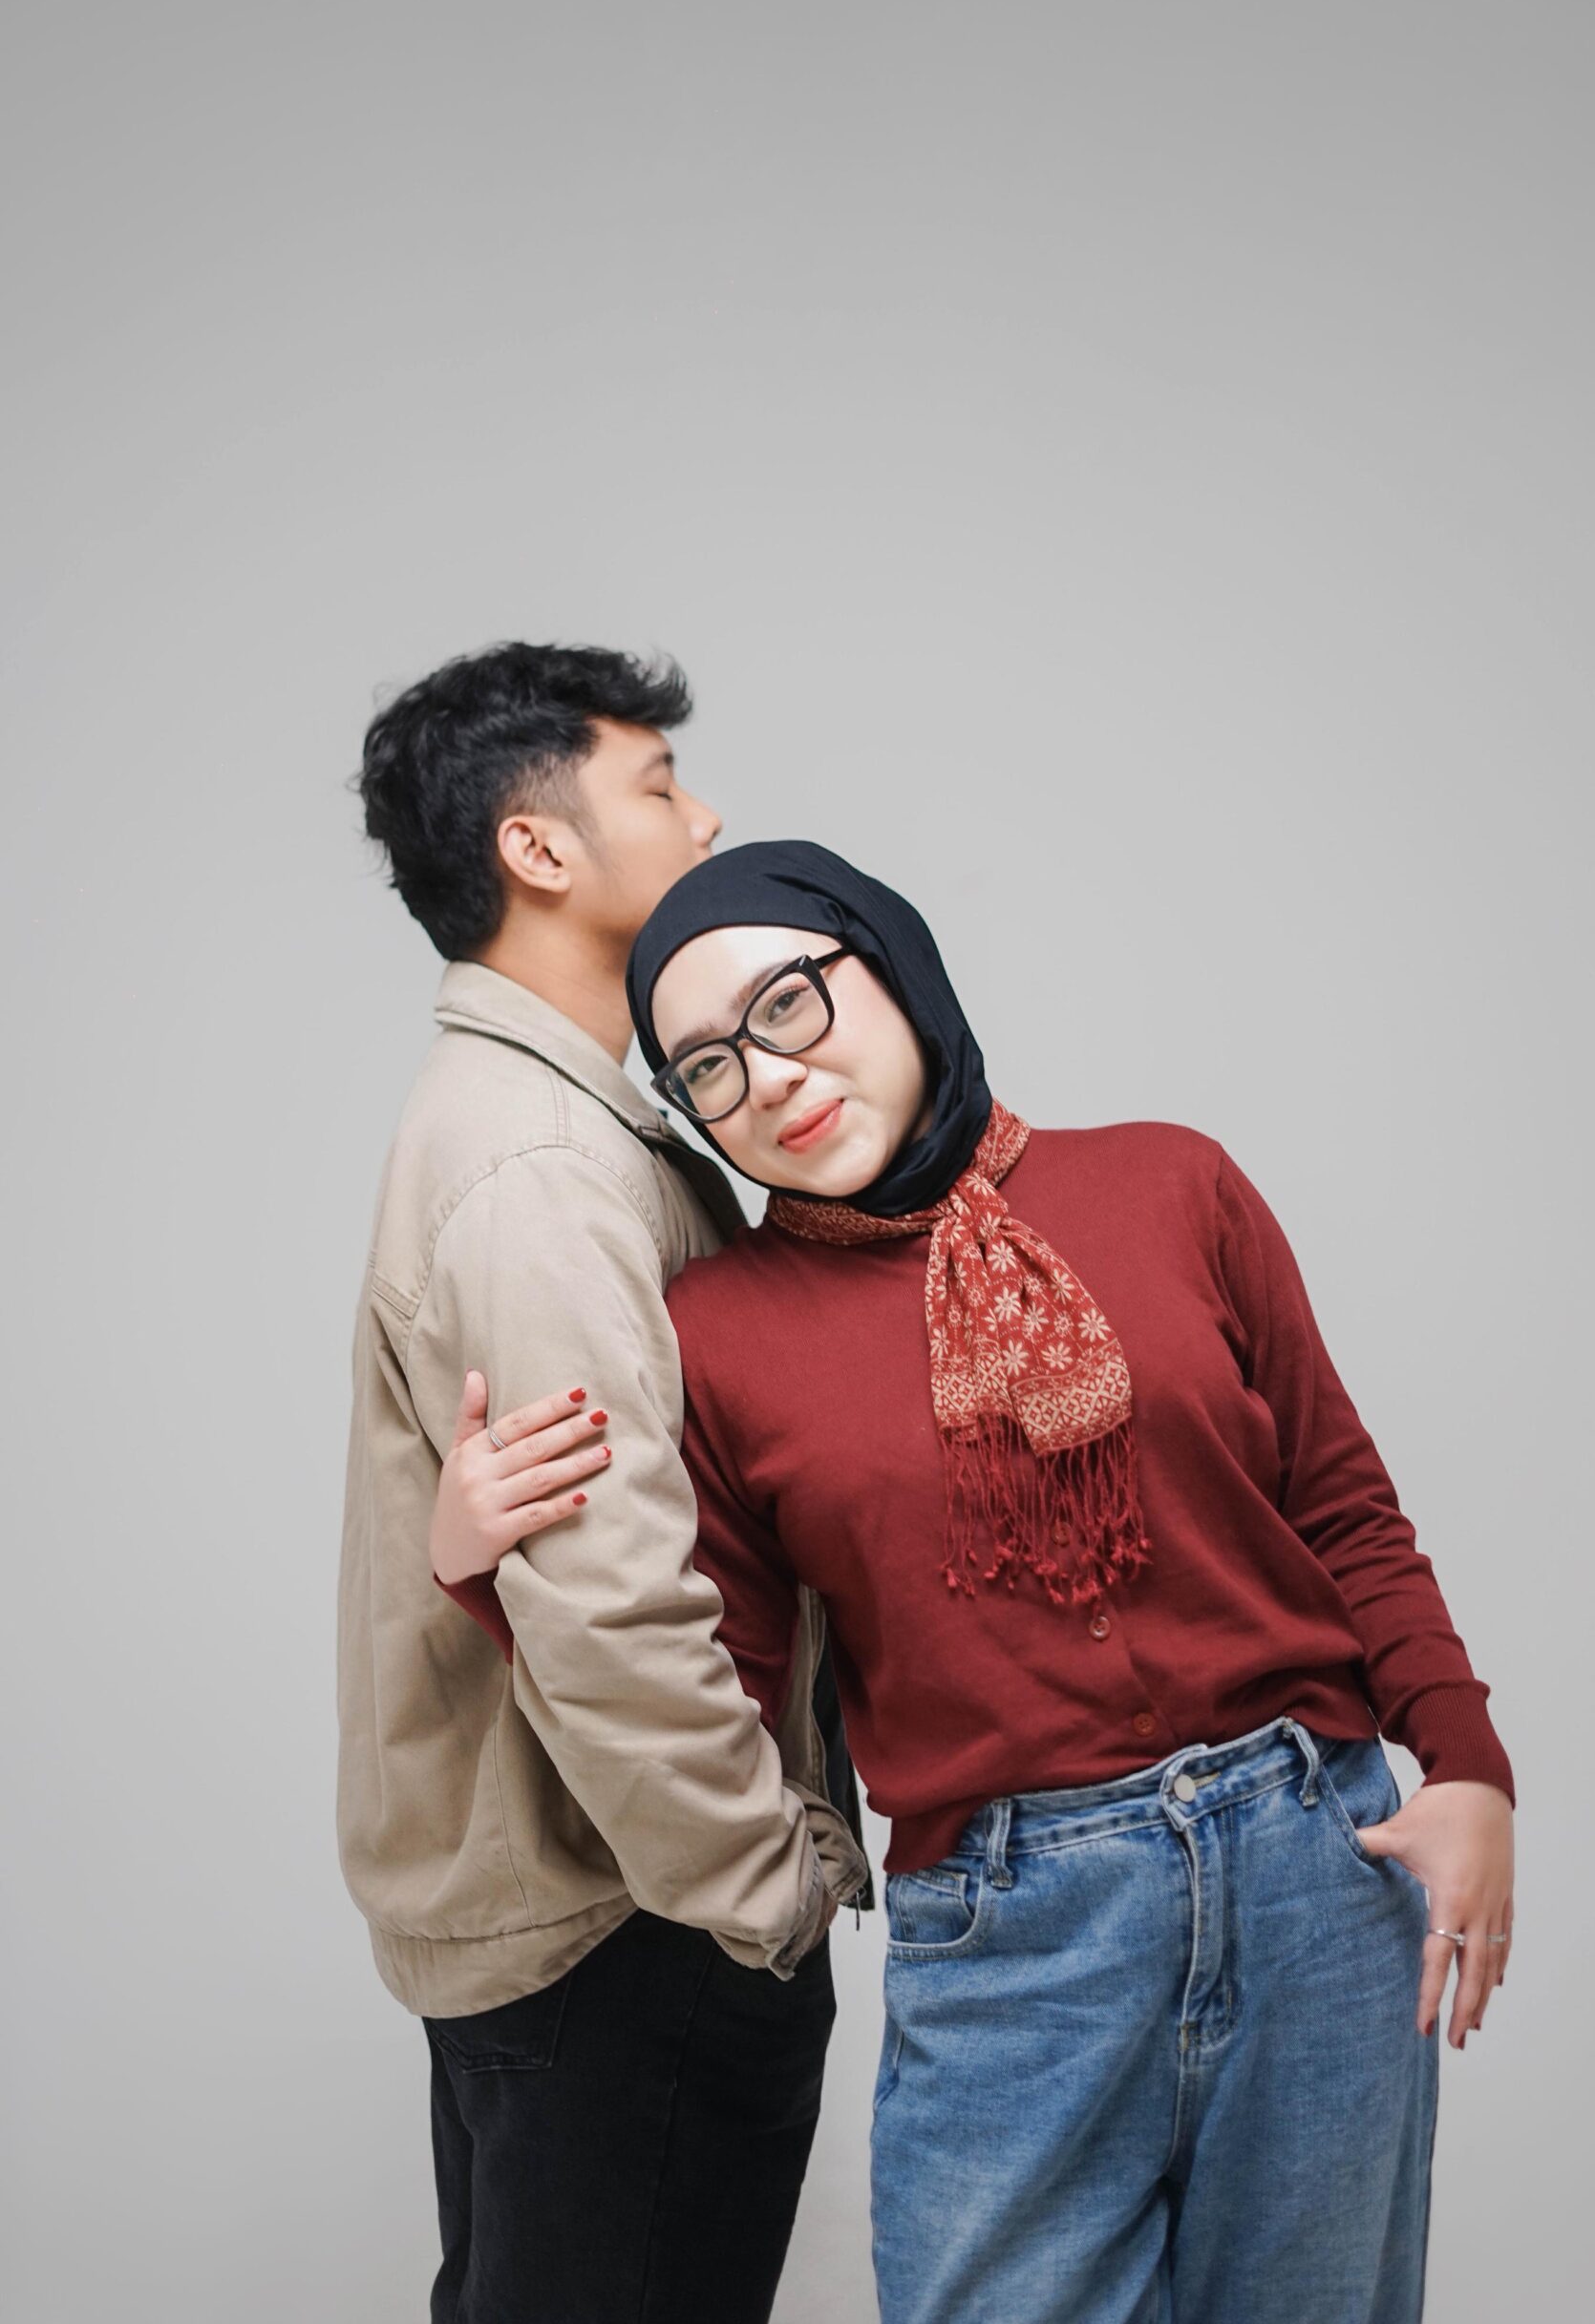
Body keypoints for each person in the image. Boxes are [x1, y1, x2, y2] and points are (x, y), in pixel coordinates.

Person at [437, 838, 1517, 2324]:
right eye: (708, 1069)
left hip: (1315, 1866)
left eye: (789, 1003)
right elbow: (723, 1688)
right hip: (1016, 1934)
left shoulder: (1174, 1180)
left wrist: (1467, 1765)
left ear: (892, 964)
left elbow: (1339, 1503)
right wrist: (488, 1576)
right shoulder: (721, 1332)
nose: (770, 1079)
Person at [336, 652, 871, 2324]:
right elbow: (610, 1598)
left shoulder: (548, 1127)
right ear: (539, 849)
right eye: (656, 785)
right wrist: (768, 1891)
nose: (703, 819)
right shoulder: (540, 1169)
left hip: (586, 1905)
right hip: (628, 1924)